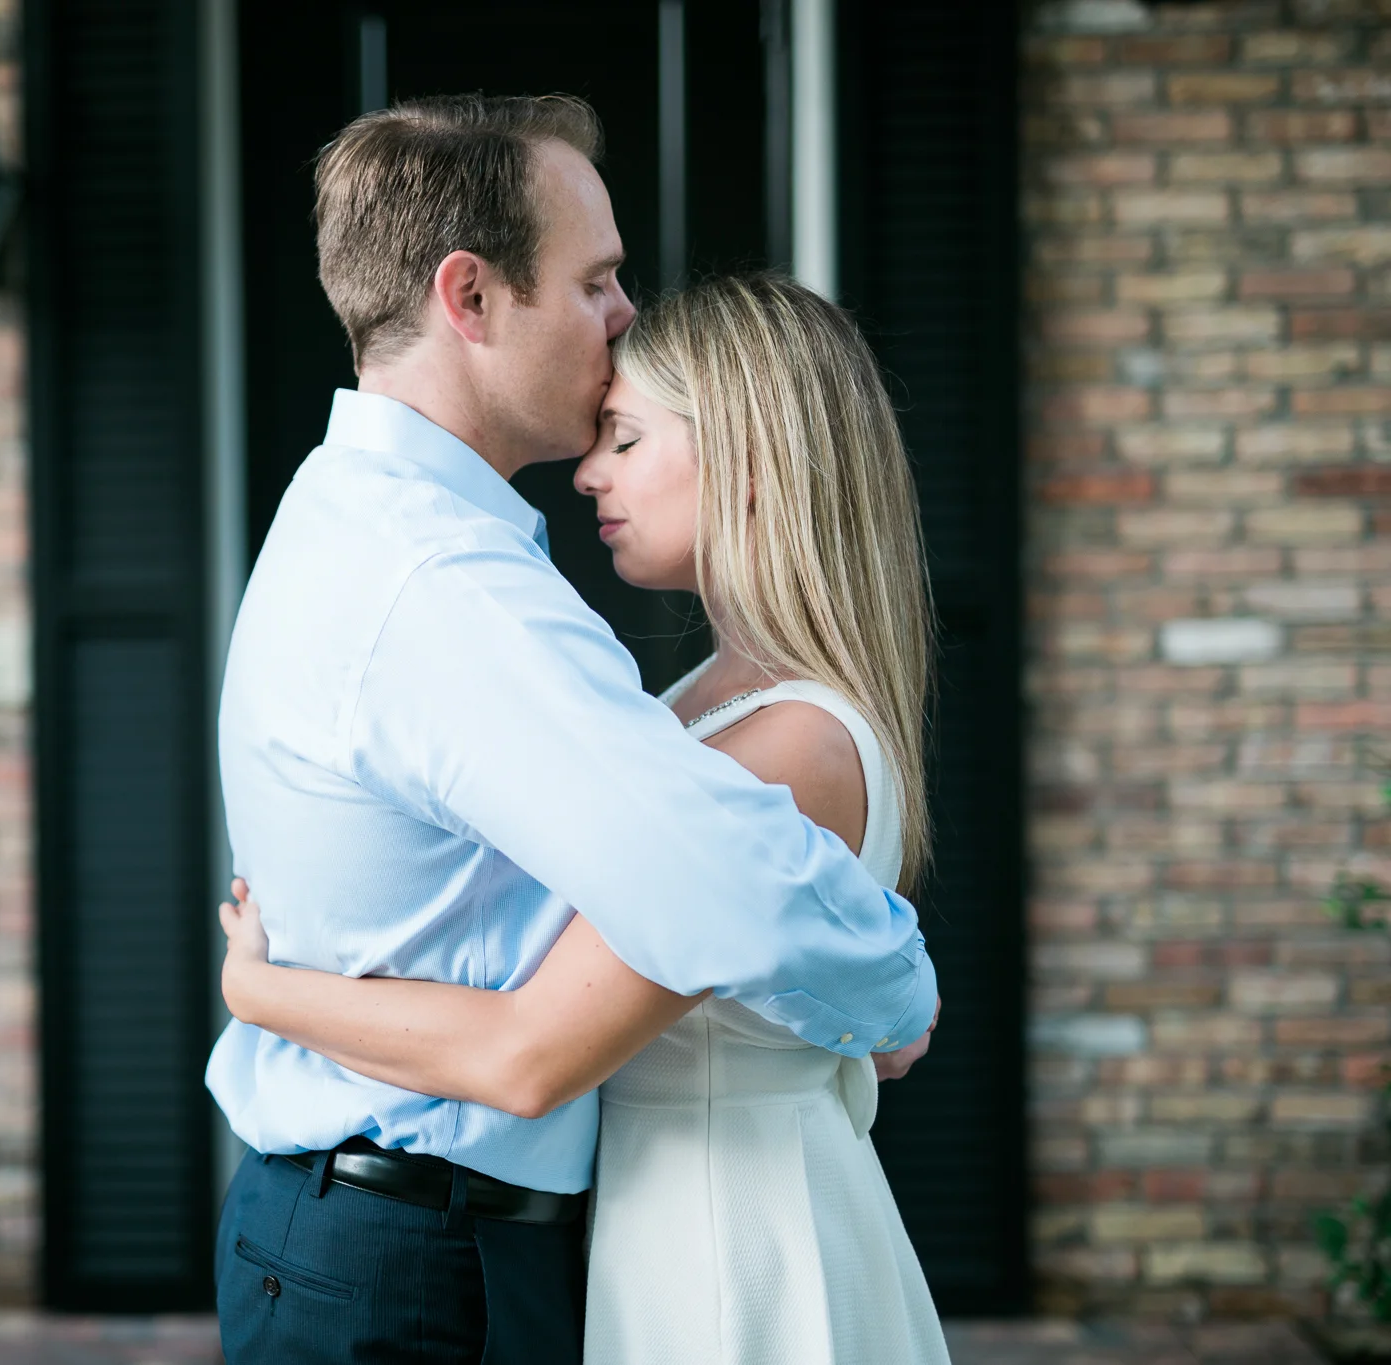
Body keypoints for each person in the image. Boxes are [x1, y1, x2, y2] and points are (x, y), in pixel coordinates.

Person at [206, 94, 938, 1365]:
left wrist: (260, 986)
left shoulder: (369, 521)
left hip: (555, 1241)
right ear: (470, 298)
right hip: (420, 1250)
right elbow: (724, 893)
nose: (622, 315)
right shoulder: (442, 585)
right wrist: (895, 985)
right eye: (596, 279)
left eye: (632, 437)